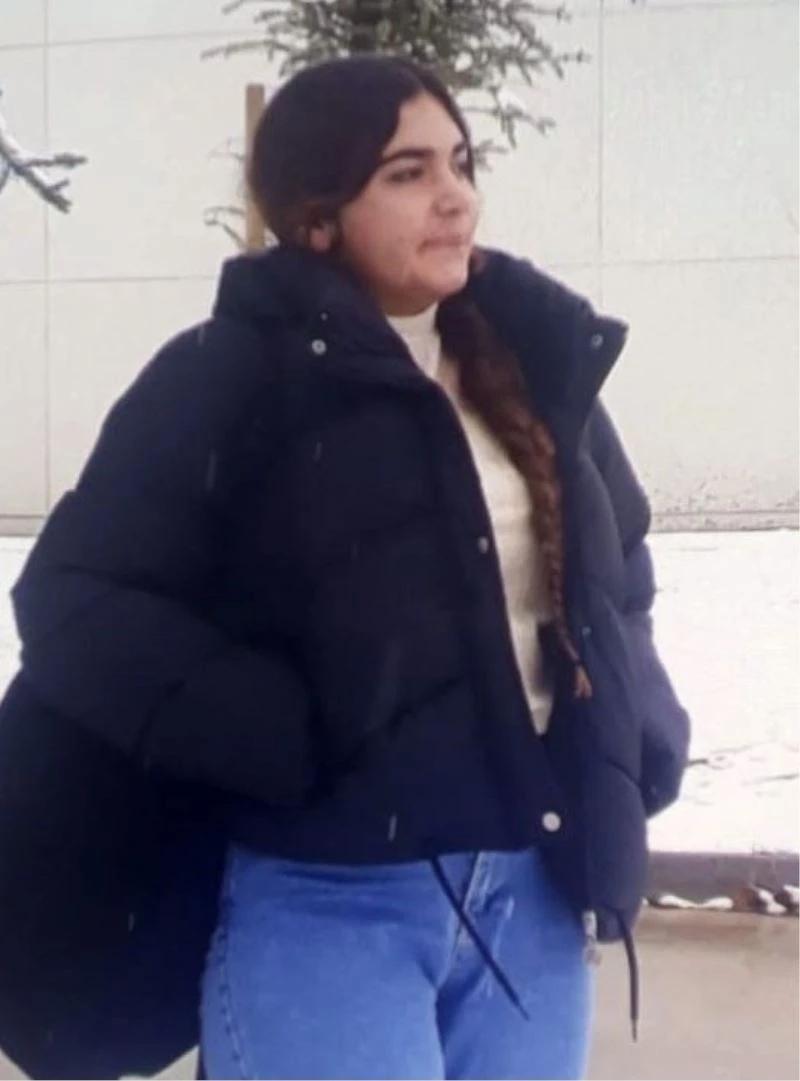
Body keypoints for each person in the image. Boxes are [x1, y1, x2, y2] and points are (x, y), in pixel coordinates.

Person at [5, 55, 690, 1081]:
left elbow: (616, 568)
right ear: (318, 216)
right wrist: (273, 731)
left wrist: (637, 730)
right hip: (329, 898)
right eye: (407, 172)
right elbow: (74, 598)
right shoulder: (229, 376)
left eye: (459, 162)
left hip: (535, 898)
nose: (454, 195)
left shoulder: (525, 360)